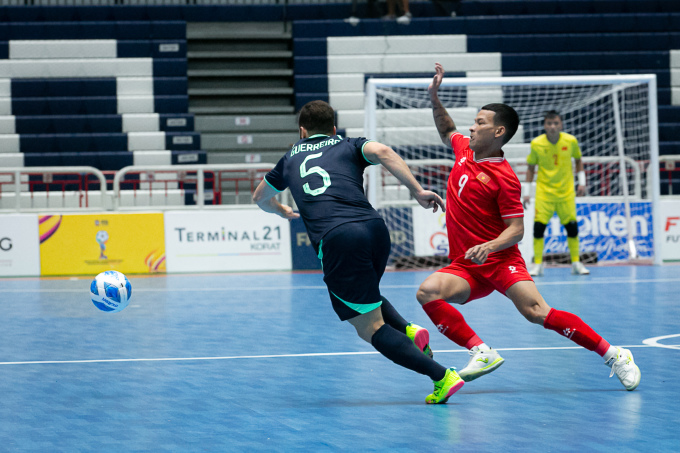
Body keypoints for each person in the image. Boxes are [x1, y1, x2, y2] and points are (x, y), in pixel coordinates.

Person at [414, 63, 641, 391]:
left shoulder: (504, 178)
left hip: (499, 261)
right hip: (467, 265)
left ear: (498, 132)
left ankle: (615, 355)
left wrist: (489, 247)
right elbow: (446, 128)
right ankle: (482, 352)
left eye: (480, 123)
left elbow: (517, 229)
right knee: (428, 292)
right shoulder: (464, 151)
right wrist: (435, 98)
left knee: (537, 312)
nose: (472, 127)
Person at [253, 100, 464, 404]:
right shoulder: (348, 144)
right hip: (376, 229)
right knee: (367, 294)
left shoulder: (288, 160)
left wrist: (280, 209)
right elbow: (384, 152)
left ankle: (442, 376)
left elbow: (260, 197)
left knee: (369, 327)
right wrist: (417, 191)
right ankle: (408, 329)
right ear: (334, 129)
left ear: (302, 131)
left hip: (339, 239)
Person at [523, 110, 589, 276]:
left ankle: (576, 263)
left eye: (556, 123)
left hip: (566, 193)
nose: (552, 127)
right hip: (544, 193)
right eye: (549, 123)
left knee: (572, 228)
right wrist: (526, 192)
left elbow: (578, 160)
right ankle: (537, 264)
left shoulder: (571, 141)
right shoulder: (536, 143)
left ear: (561, 124)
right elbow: (531, 168)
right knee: (538, 229)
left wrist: (582, 183)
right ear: (545, 125)